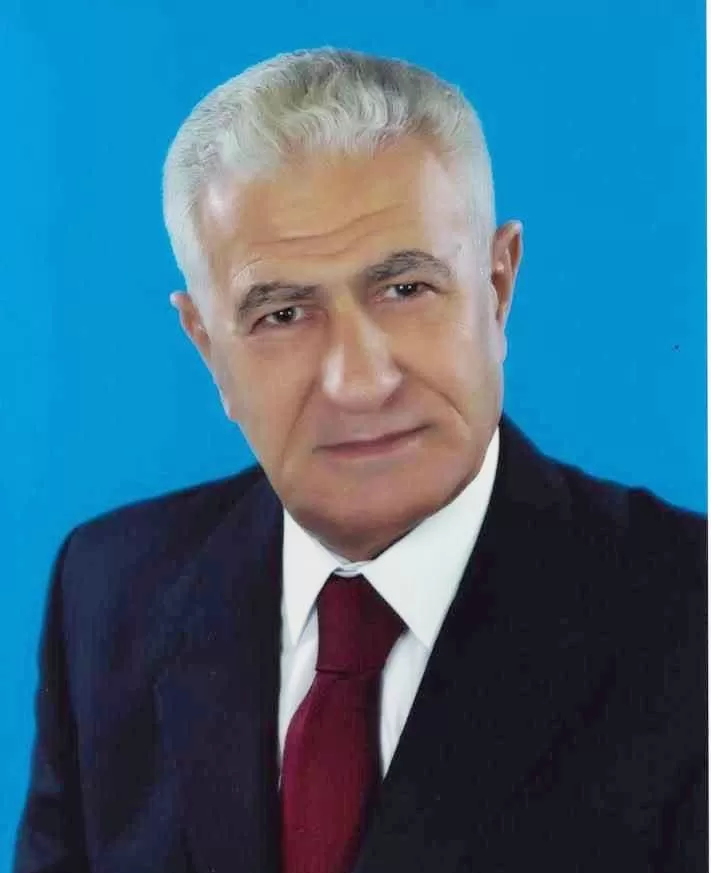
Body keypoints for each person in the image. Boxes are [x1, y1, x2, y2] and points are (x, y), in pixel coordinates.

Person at [13, 48, 706, 873]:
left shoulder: (685, 615)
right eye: (282, 313)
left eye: (405, 289)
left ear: (496, 287)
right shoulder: (109, 590)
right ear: (207, 346)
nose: (358, 380)